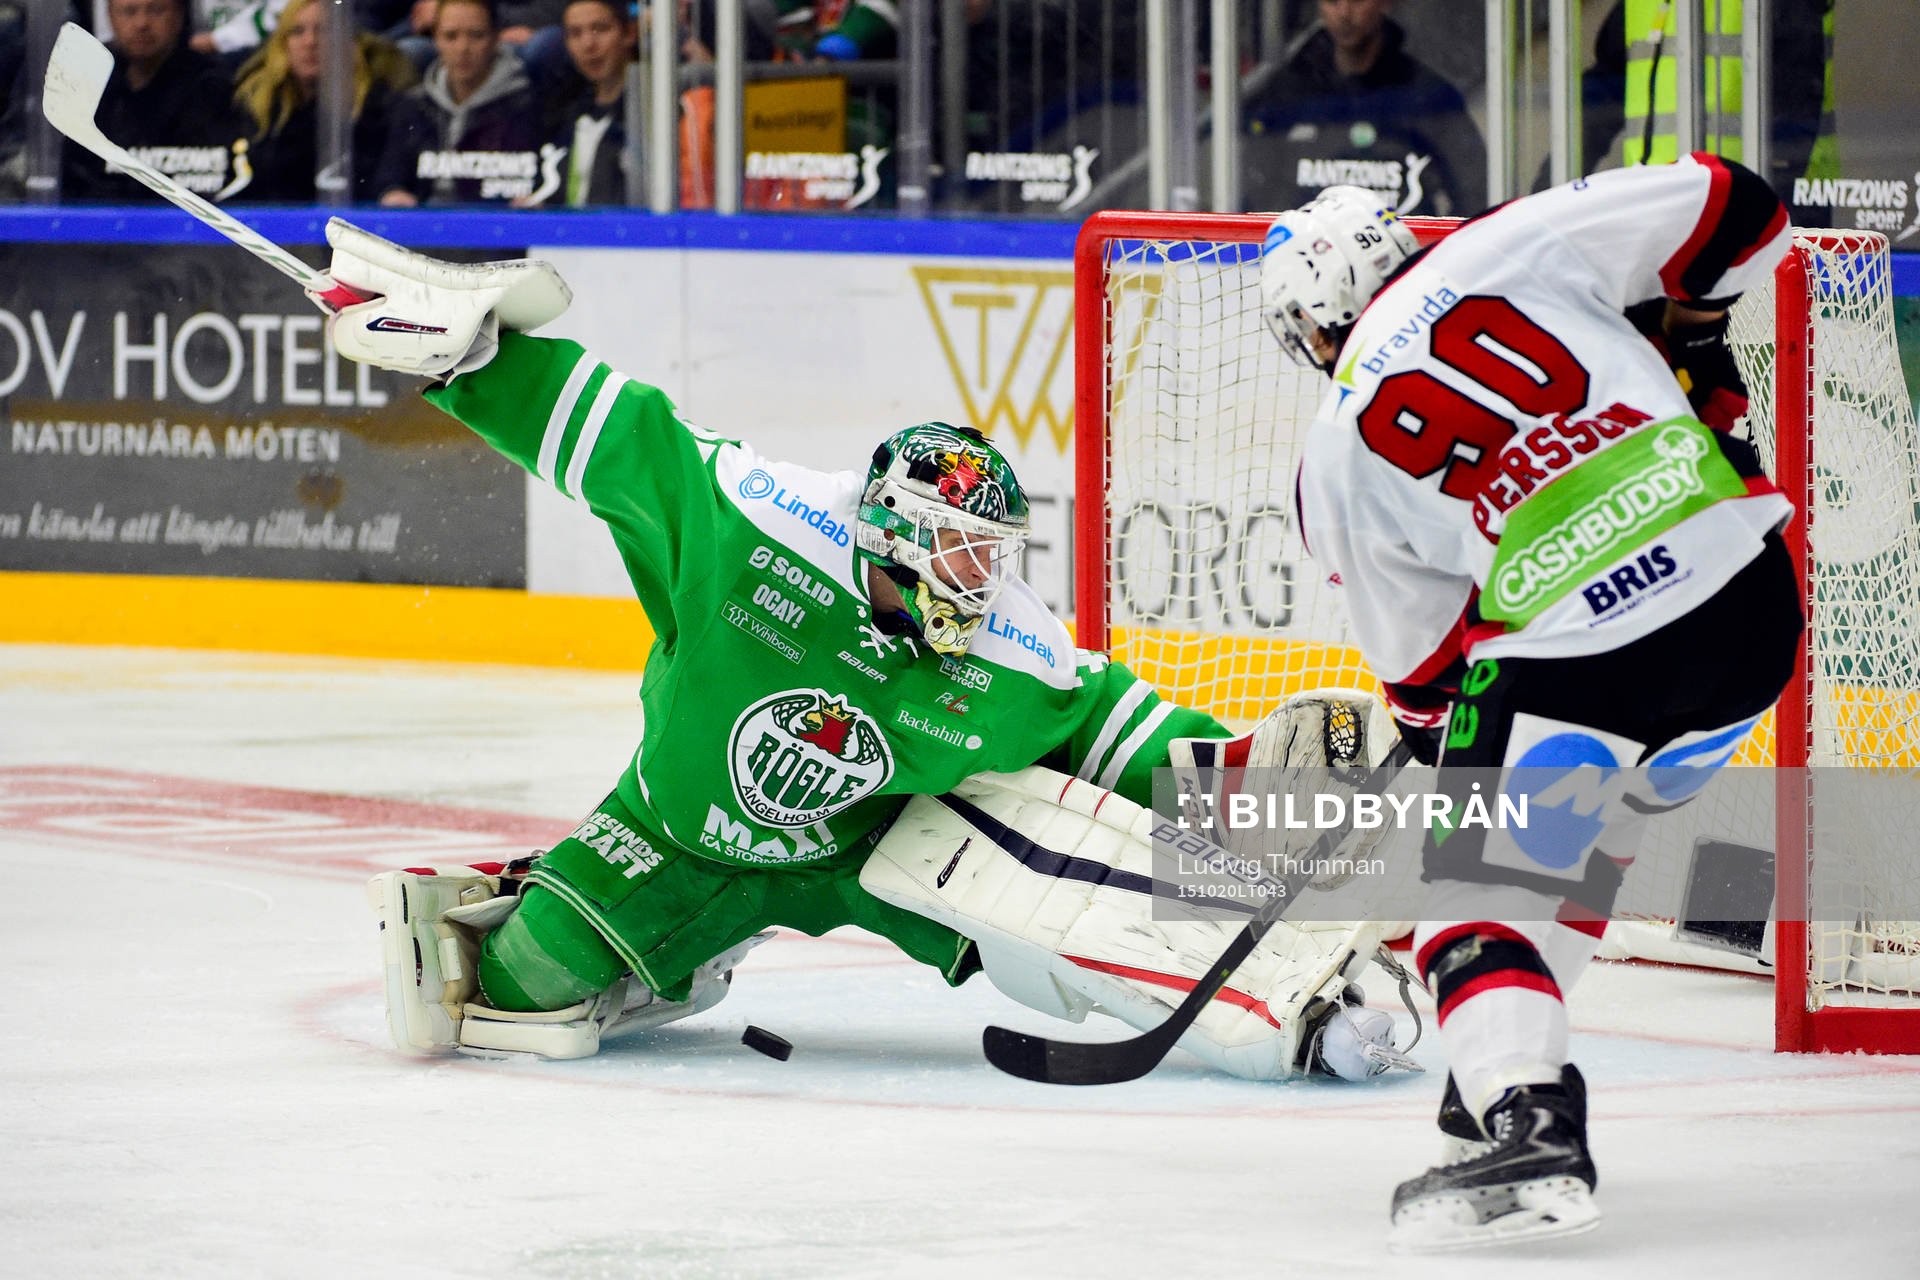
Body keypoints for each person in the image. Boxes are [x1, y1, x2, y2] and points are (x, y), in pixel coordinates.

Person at [309, 219, 1415, 1083]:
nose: (981, 580)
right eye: (960, 552)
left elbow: (1108, 728)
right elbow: (621, 434)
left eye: (995, 554)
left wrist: (1239, 770)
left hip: (873, 846)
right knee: (516, 994)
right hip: (676, 826)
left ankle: (1307, 997)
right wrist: (470, 357)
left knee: (1056, 895)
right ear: (891, 537)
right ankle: (639, 936)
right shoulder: (757, 523)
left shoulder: (1010, 642)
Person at [1259, 161, 1800, 1249]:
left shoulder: (1334, 454)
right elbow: (1745, 207)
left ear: (1312, 330)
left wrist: (1450, 775)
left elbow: (1424, 675)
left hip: (1592, 647)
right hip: (1752, 607)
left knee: (1470, 899)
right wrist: (1691, 339)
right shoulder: (1513, 240)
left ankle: (1529, 1113)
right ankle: (1500, 1064)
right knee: (1584, 835)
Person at [1241, 0, 1485, 217]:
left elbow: (1474, 193)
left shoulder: (1428, 98)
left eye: (1357, 1)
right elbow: (1255, 192)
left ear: (1385, 3)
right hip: (1304, 249)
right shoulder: (1284, 95)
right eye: (1332, 1)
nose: (1344, 13)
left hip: (1405, 252)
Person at [62, 0, 251, 201]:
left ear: (179, 15)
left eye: (156, 10)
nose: (142, 23)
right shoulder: (92, 87)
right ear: (110, 16)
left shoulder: (215, 90)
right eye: (129, 11)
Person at [229, 0, 415, 202]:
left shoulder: (381, 107)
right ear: (282, 43)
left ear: (348, 41)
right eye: (297, 31)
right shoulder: (257, 106)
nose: (310, 42)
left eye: (323, 31)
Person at [372, 0, 545, 205]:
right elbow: (390, 176)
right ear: (435, 40)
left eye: (476, 35)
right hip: (424, 221)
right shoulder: (415, 104)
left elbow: (538, 179)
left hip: (498, 221)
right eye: (451, 36)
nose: (463, 48)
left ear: (495, 38)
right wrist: (393, 192)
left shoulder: (528, 105)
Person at [537, 0, 632, 207]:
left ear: (628, 34)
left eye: (600, 29)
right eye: (575, 33)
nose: (588, 44)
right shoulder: (562, 115)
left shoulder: (651, 111)